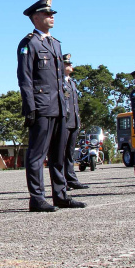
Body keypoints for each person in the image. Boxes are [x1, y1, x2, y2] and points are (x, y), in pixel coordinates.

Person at [17, 0, 85, 211]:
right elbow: (25, 78)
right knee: (37, 155)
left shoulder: (55, 43)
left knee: (59, 154)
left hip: (59, 106)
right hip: (42, 105)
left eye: (52, 14)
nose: (51, 17)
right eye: (47, 14)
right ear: (35, 18)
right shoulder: (29, 43)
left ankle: (61, 195)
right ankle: (37, 198)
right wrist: (30, 107)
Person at [60, 53, 89, 190]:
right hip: (64, 121)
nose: (70, 65)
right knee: (61, 153)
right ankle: (62, 182)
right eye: (67, 63)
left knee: (70, 153)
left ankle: (71, 179)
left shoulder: (71, 82)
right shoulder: (59, 81)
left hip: (73, 121)